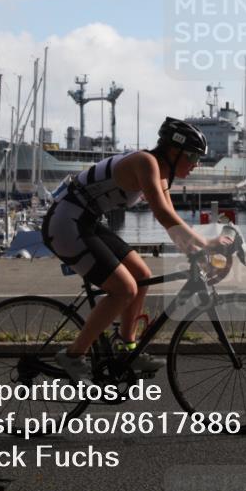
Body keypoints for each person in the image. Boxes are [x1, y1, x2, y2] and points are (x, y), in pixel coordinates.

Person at [42, 117, 227, 383]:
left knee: (142, 275)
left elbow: (171, 219)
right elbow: (162, 214)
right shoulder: (145, 163)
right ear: (173, 152)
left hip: (87, 221)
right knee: (124, 289)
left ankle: (127, 346)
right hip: (66, 223)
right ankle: (73, 355)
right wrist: (207, 243)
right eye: (192, 156)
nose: (196, 163)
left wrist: (193, 252)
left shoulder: (162, 172)